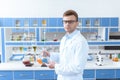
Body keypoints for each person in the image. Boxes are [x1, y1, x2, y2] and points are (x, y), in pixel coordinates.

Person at [43, 10, 89, 80]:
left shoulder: (81, 41)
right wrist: (50, 54)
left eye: (71, 22)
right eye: (65, 21)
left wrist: (55, 66)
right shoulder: (64, 39)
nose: (67, 24)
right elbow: (63, 57)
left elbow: (78, 68)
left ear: (77, 23)